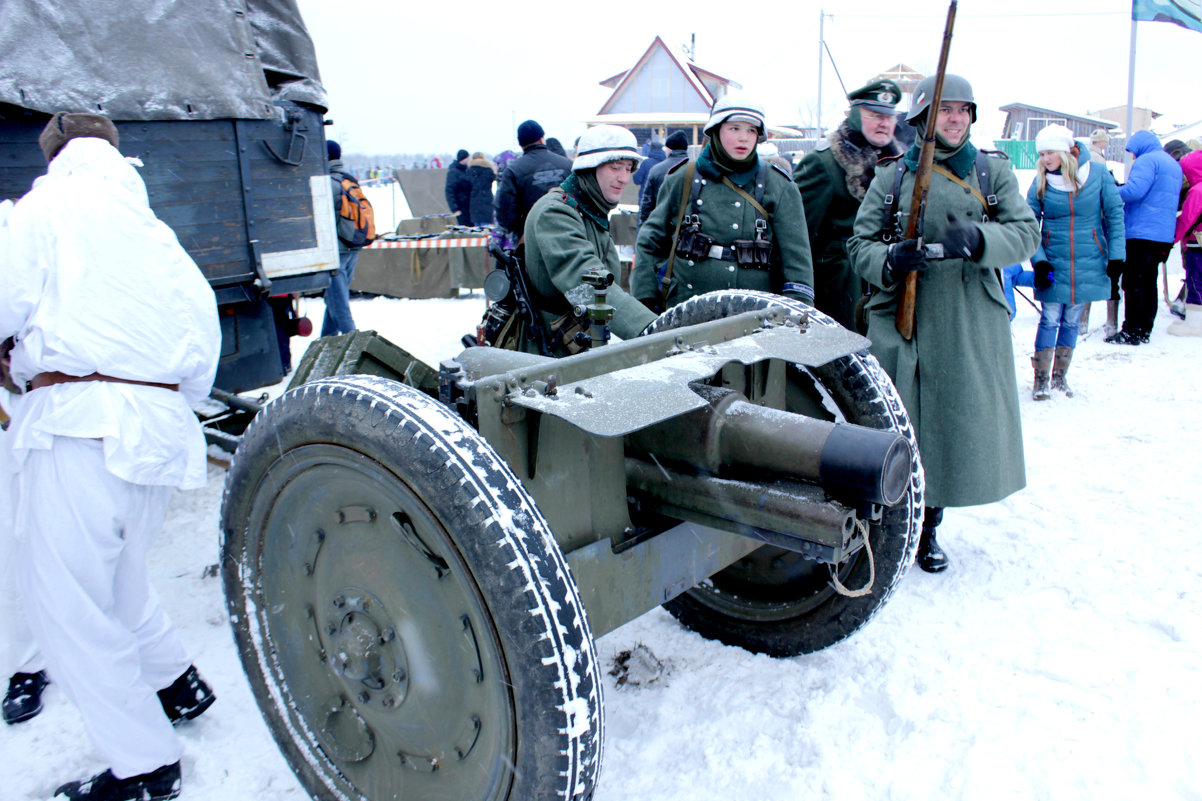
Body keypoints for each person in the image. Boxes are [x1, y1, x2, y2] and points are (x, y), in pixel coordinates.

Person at [0, 112, 221, 800]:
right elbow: (203, 350)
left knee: (66, 607)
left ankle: (144, 767)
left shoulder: (44, 208)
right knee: (119, 577)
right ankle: (177, 683)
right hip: (156, 433)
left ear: (55, 156)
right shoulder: (157, 235)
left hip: (77, 426)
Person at [847, 74, 1039, 574]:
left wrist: (979, 240)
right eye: (942, 110)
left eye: (962, 110)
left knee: (952, 426)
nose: (953, 119)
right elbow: (858, 245)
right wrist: (891, 259)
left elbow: (1025, 235)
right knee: (897, 423)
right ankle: (887, 521)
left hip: (966, 314)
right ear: (922, 120)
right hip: (902, 313)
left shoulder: (991, 173)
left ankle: (930, 524)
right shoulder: (891, 177)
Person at [632, 93, 815, 312]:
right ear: (716, 130)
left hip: (754, 318)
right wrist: (645, 300)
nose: (744, 138)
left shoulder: (779, 186)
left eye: (751, 130)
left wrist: (796, 317)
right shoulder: (683, 178)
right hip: (686, 312)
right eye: (734, 128)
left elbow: (797, 264)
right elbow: (650, 242)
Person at [523, 125, 658, 355]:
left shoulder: (590, 210)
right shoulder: (554, 213)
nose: (624, 178)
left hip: (576, 347)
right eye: (615, 167)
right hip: (545, 356)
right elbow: (586, 284)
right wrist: (654, 332)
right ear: (589, 168)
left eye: (628, 168)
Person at [794, 79, 904, 330]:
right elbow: (799, 240)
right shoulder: (825, 163)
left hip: (890, 292)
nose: (884, 123)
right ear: (854, 114)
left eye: (889, 116)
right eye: (874, 115)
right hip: (841, 297)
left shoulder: (901, 166)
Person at [1025, 124, 1125, 399]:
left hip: (1088, 258)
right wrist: (1039, 260)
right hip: (1053, 259)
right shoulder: (1041, 180)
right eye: (1041, 154)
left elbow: (1115, 215)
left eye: (1050, 152)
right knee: (1049, 317)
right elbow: (1028, 222)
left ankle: (1060, 377)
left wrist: (1117, 256)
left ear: (1066, 151)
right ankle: (1041, 380)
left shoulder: (1098, 174)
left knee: (1070, 320)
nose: (1045, 159)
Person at [1107, 129, 1183, 345]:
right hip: (1163, 235)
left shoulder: (1147, 161)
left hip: (1141, 232)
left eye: (1133, 151)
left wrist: (1113, 189)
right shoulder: (1172, 164)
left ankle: (1131, 331)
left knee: (1132, 282)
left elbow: (1134, 192)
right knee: (1149, 281)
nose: (1133, 156)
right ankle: (1144, 330)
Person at [494, 119, 572, 247]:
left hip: (530, 239)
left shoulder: (514, 170)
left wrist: (516, 229)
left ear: (521, 144)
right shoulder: (567, 165)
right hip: (566, 234)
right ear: (542, 138)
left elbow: (504, 210)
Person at [323, 139, 364, 336]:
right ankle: (325, 344)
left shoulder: (327, 183)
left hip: (335, 252)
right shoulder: (348, 179)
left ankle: (357, 348)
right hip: (352, 247)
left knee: (339, 307)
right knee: (334, 301)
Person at [1167, 149, 1202, 335]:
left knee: (1196, 282)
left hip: (1198, 243)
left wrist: (1171, 238)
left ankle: (1196, 324)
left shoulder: (1197, 191)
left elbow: (1187, 220)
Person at [637, 129, 690, 228]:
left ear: (669, 148)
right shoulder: (696, 170)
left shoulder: (656, 170)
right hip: (688, 229)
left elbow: (647, 203)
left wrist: (644, 226)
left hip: (661, 226)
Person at [632, 129, 666, 207]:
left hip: (647, 200)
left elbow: (637, 180)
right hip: (663, 201)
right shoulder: (666, 163)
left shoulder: (646, 163)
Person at [466, 151, 497, 226]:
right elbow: (494, 178)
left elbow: (467, 186)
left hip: (474, 200)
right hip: (487, 199)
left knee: (477, 226)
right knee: (487, 226)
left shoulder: (469, 171)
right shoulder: (488, 170)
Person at [444, 148, 472, 225]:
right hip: (461, 207)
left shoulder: (467, 170)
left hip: (469, 207)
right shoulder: (453, 172)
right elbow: (449, 191)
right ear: (464, 159)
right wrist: (454, 209)